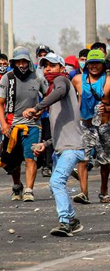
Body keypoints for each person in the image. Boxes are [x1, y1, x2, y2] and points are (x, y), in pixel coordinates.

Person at [24, 53, 86, 237]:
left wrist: (37, 107)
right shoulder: (54, 91)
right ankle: (73, 220)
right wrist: (47, 143)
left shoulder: (62, 82)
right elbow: (63, 127)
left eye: (52, 65)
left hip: (71, 147)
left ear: (61, 68)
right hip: (61, 147)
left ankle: (65, 222)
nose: (48, 69)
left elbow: (57, 92)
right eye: (45, 66)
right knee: (55, 185)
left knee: (56, 182)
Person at [71, 50, 110, 204]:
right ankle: (83, 192)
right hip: (84, 126)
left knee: (105, 162)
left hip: (103, 127)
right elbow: (69, 99)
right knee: (83, 160)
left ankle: (103, 191)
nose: (93, 66)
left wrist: (106, 109)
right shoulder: (77, 80)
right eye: (91, 63)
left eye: (97, 63)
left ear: (103, 65)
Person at [0, 47, 47, 202]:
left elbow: (48, 97)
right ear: (13, 63)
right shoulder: (7, 78)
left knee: (30, 157)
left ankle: (29, 189)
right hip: (11, 124)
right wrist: (4, 125)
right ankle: (17, 185)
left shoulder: (37, 77)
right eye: (18, 62)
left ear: (29, 63)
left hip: (32, 125)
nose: (21, 65)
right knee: (12, 160)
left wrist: (41, 110)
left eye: (24, 62)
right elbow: (0, 103)